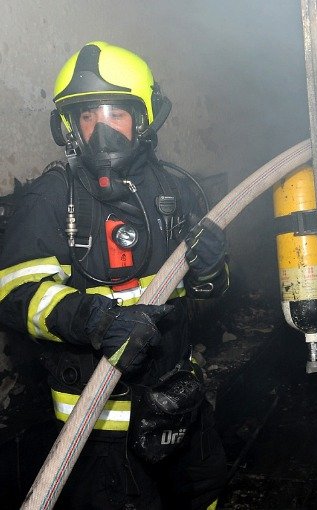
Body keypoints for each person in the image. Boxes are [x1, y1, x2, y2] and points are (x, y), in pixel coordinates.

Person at [0, 41, 229, 509]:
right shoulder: (52, 198)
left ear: (144, 119)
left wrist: (211, 269)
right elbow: (14, 294)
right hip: (99, 426)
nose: (102, 132)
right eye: (88, 117)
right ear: (70, 127)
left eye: (115, 115)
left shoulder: (177, 190)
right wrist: (92, 319)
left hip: (179, 407)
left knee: (203, 496)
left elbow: (210, 289)